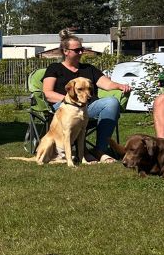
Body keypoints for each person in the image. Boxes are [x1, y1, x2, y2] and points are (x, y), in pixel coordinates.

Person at [42, 32, 131, 163]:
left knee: (112, 102)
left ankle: (100, 150)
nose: (81, 52)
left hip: (88, 106)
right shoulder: (54, 68)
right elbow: (48, 93)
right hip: (64, 107)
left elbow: (106, 84)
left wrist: (120, 86)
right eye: (77, 50)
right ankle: (83, 152)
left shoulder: (89, 69)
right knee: (74, 111)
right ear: (65, 51)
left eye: (82, 49)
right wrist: (70, 101)